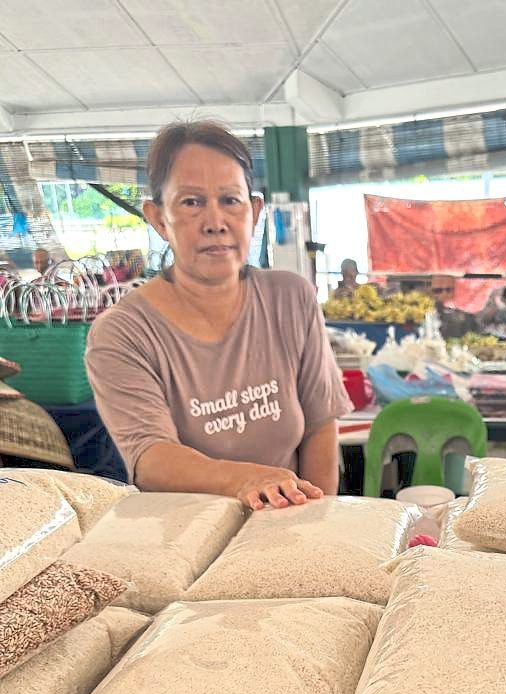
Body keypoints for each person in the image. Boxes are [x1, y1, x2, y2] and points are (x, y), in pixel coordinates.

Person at [86, 121, 351, 511]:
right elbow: (151, 457)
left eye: (230, 200)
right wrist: (247, 478)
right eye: (191, 202)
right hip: (186, 543)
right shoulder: (122, 333)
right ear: (158, 218)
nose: (215, 222)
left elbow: (319, 425)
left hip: (289, 528)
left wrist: (314, 519)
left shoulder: (291, 298)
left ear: (255, 211)